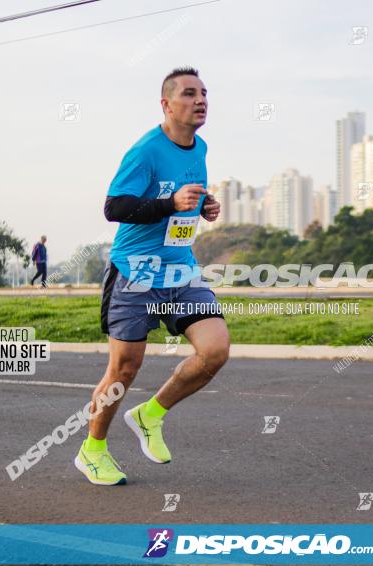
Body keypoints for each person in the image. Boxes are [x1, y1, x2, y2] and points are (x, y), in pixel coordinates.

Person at [74, 66, 229, 485]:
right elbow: (115, 207)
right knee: (124, 370)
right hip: (135, 273)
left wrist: (205, 204)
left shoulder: (200, 148)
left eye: (204, 93)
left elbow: (184, 191)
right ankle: (93, 450)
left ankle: (150, 414)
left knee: (215, 350)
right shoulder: (144, 150)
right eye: (189, 94)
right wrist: (170, 204)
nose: (200, 101)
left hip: (181, 270)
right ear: (166, 104)